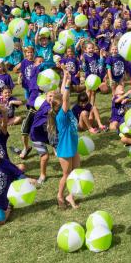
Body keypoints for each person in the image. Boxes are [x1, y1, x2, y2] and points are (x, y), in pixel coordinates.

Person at [53, 72, 80, 209]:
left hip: (73, 146)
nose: (68, 102)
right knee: (67, 174)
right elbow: (65, 98)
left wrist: (65, 77)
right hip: (65, 149)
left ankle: (71, 196)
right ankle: (59, 195)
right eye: (66, 102)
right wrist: (69, 84)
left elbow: (63, 95)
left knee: (75, 173)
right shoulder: (61, 117)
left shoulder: (67, 112)